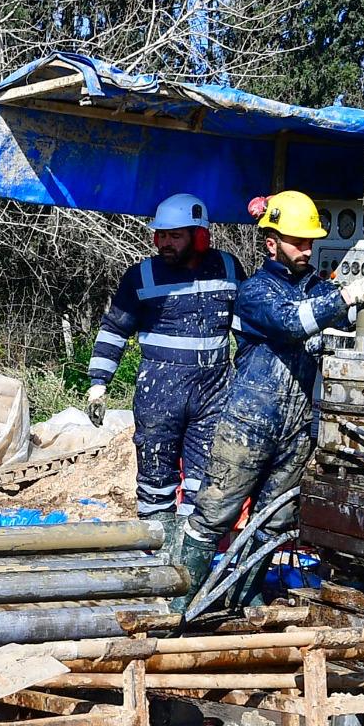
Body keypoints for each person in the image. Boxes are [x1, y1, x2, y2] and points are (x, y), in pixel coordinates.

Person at [178, 191, 364, 609]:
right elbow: (293, 322)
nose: (307, 250)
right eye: (298, 242)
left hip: (295, 428)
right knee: (213, 514)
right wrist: (349, 294)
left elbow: (346, 322)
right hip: (247, 425)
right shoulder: (255, 292)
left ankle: (243, 600)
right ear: (271, 243)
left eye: (310, 241)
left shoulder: (317, 288)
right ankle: (179, 602)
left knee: (273, 520)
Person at [85, 193, 244, 560]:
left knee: (204, 483)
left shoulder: (228, 268)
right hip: (160, 392)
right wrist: (98, 384)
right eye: (161, 236)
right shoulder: (141, 276)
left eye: (175, 236)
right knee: (156, 479)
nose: (164, 243)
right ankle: (156, 560)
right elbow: (114, 330)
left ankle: (188, 561)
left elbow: (247, 328)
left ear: (199, 236)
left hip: (215, 391)